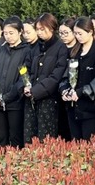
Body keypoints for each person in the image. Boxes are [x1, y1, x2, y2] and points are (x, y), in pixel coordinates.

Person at [59, 16, 95, 141]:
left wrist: (81, 92)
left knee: (89, 145)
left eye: (80, 33)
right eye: (75, 33)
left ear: (90, 32)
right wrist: (64, 90)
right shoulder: (75, 51)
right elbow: (66, 75)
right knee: (75, 144)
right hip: (73, 108)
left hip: (91, 110)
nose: (77, 37)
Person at [22, 13, 69, 144]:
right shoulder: (34, 48)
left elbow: (56, 75)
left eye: (42, 29)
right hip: (30, 97)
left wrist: (36, 90)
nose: (39, 32)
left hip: (48, 99)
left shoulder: (60, 48)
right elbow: (26, 69)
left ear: (52, 28)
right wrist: (26, 85)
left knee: (46, 139)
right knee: (29, 138)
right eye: (37, 29)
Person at [0, 16, 31, 148]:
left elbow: (23, 78)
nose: (8, 36)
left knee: (15, 138)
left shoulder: (26, 51)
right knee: (1, 138)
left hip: (15, 102)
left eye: (11, 33)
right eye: (5, 33)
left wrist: (6, 97)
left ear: (20, 32)